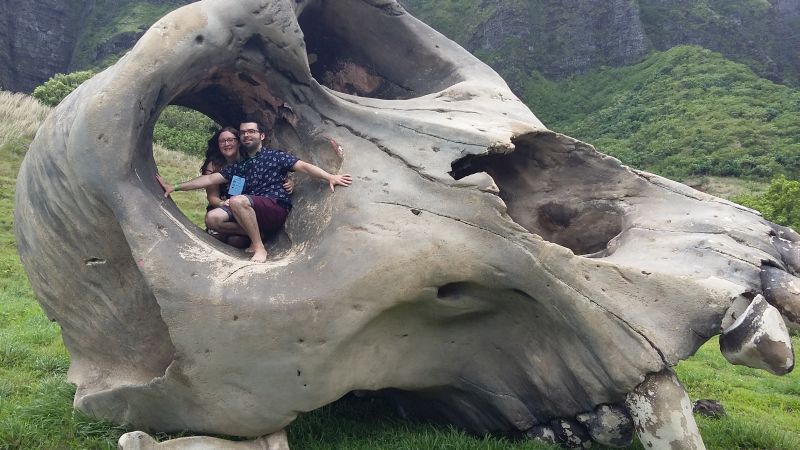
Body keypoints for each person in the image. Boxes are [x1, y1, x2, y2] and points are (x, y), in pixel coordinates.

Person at [157, 119, 352, 263]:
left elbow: (305, 167)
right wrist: (174, 187)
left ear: (262, 136)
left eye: (251, 131)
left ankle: (259, 248)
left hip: (274, 206)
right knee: (213, 219)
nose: (247, 135)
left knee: (237, 201)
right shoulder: (241, 166)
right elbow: (208, 179)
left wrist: (330, 177)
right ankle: (259, 234)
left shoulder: (275, 157)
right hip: (251, 210)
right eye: (243, 133)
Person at [199, 126, 292, 248]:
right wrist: (222, 203)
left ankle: (256, 236)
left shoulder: (249, 160)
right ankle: (257, 234)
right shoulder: (215, 165)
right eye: (222, 141)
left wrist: (288, 181)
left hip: (245, 210)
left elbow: (272, 172)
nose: (227, 144)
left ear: (239, 142)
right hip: (223, 209)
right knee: (217, 236)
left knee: (236, 241)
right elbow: (212, 197)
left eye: (231, 140)